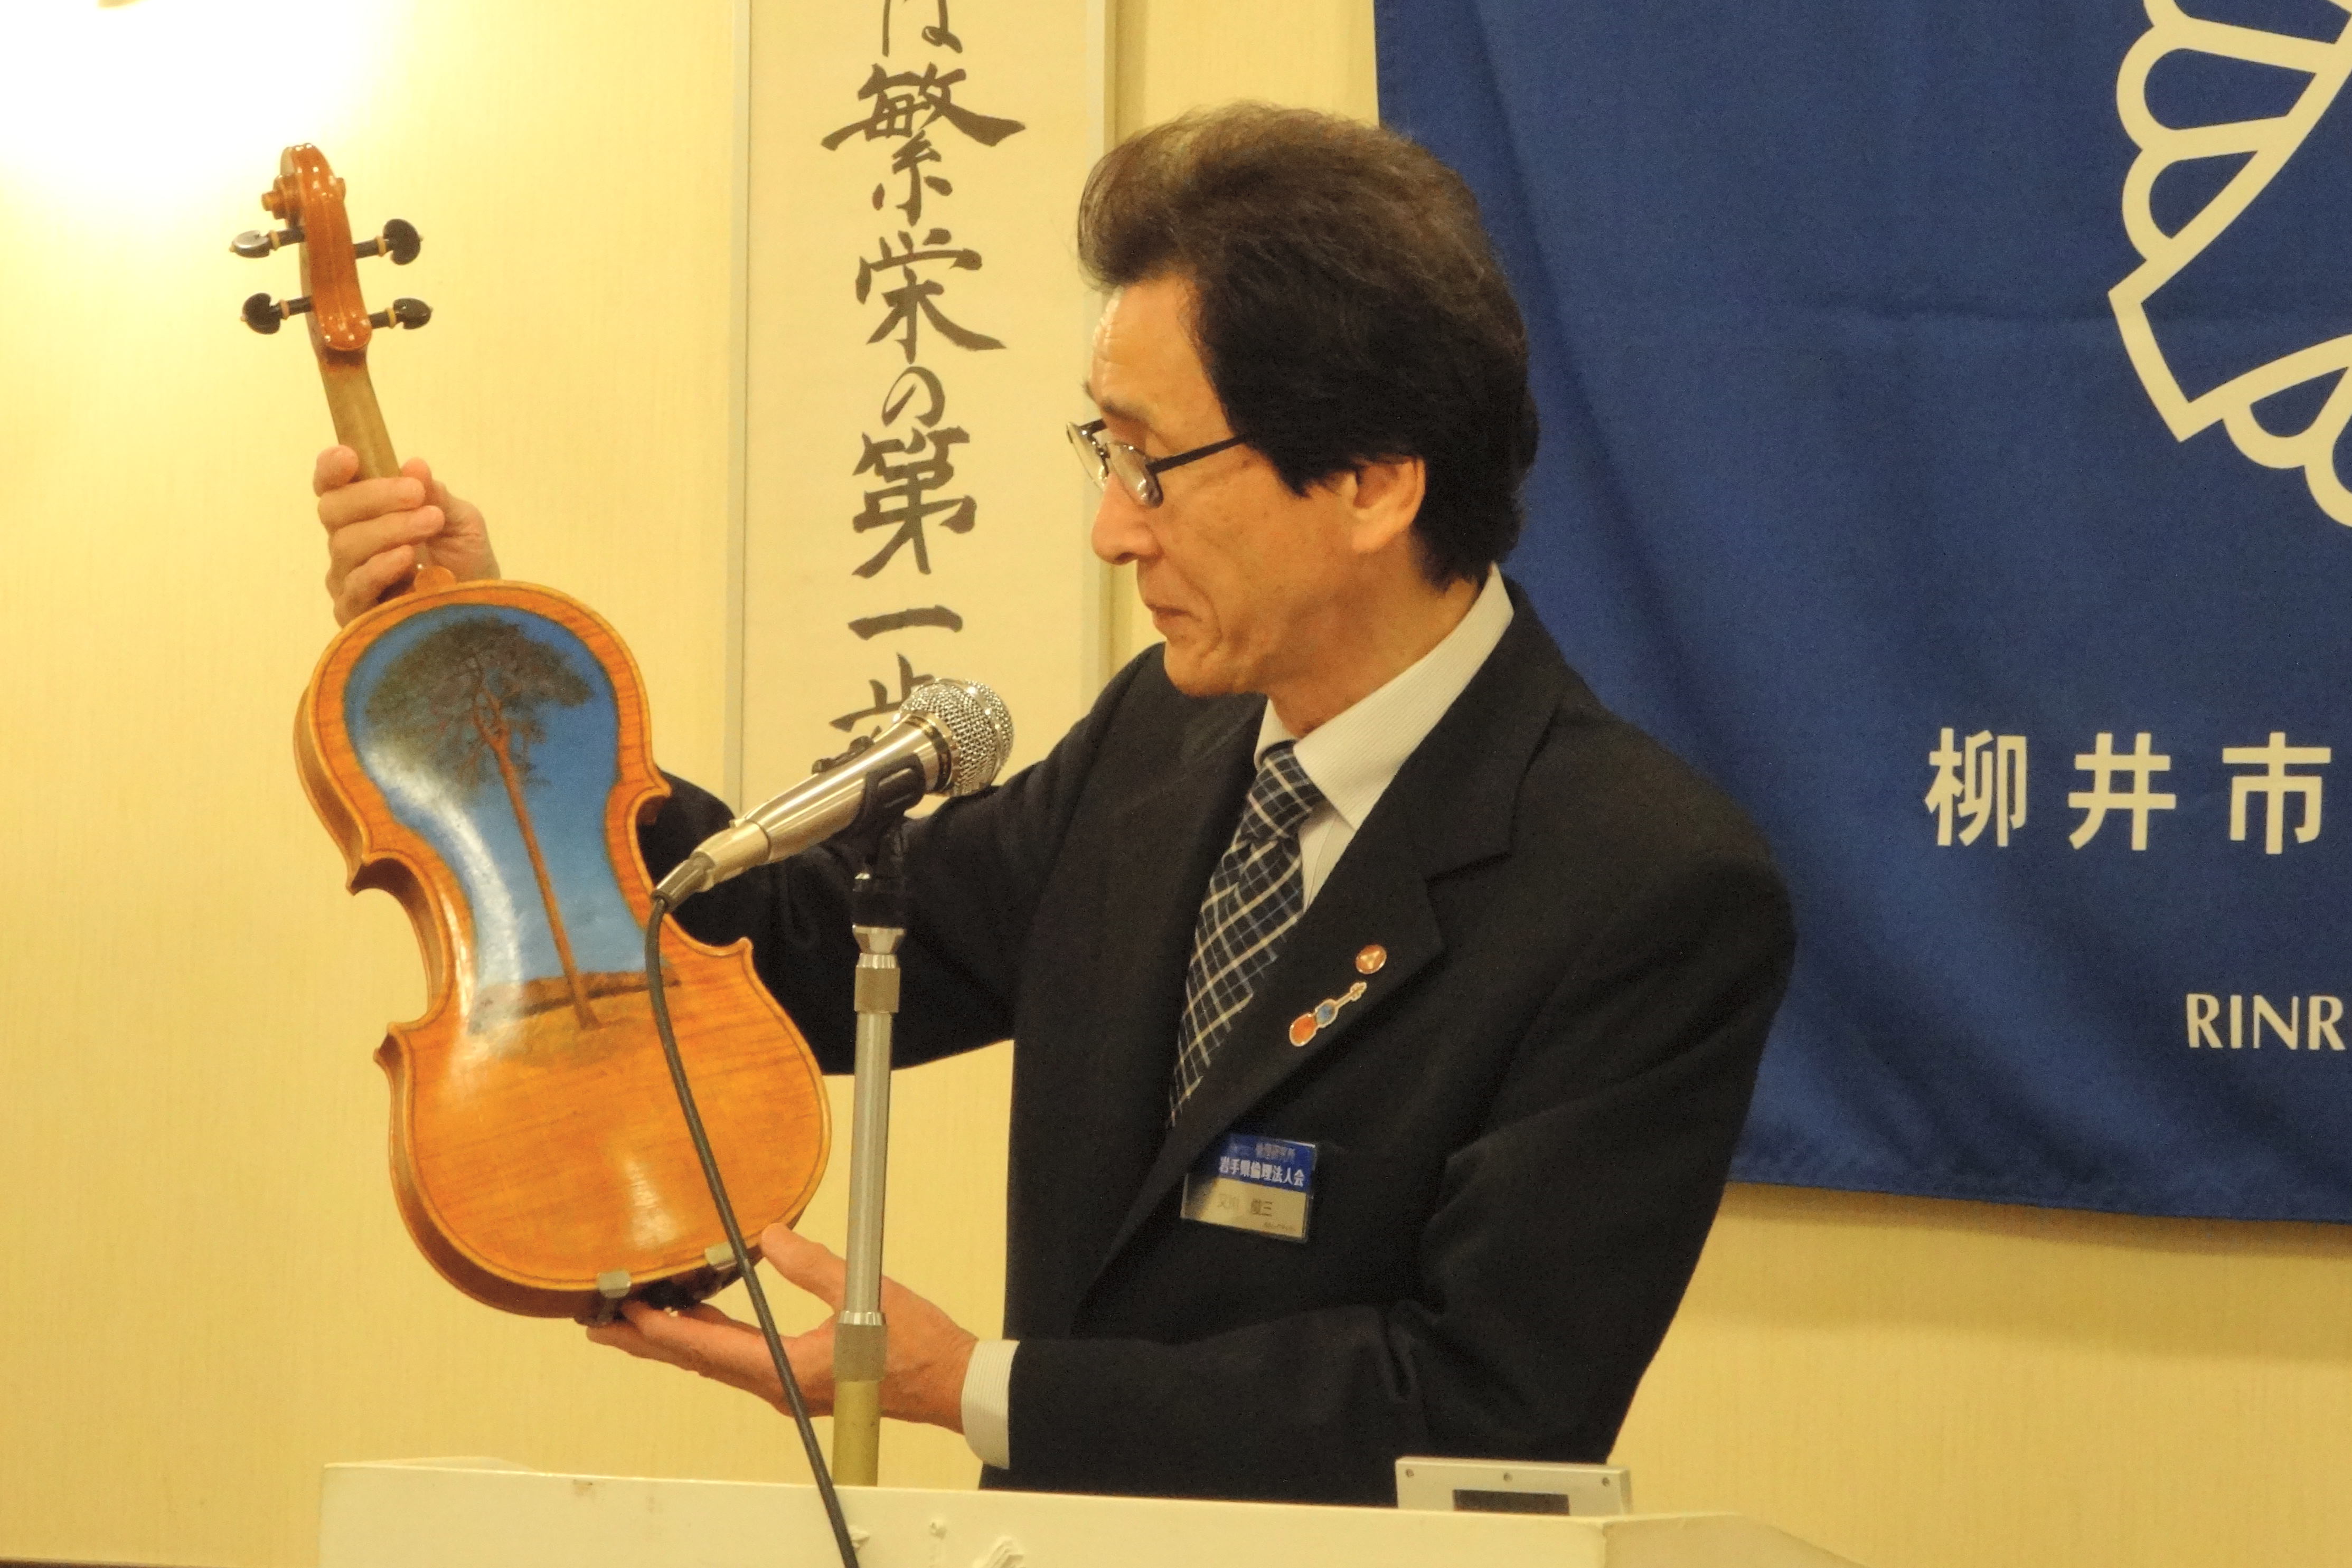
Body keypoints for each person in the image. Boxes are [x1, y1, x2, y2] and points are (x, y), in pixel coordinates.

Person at [313, 105, 1794, 1505]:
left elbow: (1485, 1403)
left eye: (1156, 465)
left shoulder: (1648, 884)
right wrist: (503, 673)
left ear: (1372, 484)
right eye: (1107, 452)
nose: (1110, 529)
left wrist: (976, 1387)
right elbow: (805, 955)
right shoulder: (1167, 738)